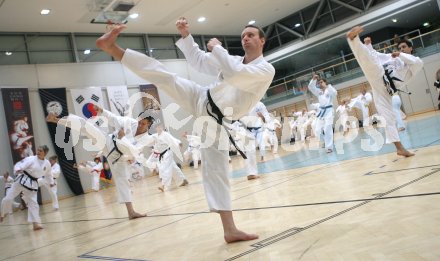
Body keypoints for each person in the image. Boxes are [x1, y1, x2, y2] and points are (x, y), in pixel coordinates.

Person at [96, 17, 275, 242]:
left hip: (216, 121)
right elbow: (199, 61)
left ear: (262, 41)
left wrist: (218, 48)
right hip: (201, 96)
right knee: (164, 76)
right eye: (243, 36)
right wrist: (185, 35)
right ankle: (113, 48)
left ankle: (229, 230)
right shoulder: (234, 59)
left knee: (216, 172)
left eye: (250, 35)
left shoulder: (265, 69)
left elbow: (237, 74)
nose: (245, 38)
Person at [47, 107, 152, 220]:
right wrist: (102, 111)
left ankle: (131, 212)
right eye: (140, 122)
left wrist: (123, 141)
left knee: (124, 182)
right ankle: (56, 120)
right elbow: (114, 118)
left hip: (118, 157)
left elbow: (134, 152)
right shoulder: (130, 122)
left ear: (149, 125)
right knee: (85, 126)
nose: (140, 125)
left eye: (143, 124)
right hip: (107, 141)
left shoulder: (146, 139)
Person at [346, 26, 423, 157]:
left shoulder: (415, 62)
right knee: (369, 63)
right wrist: (369, 46)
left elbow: (416, 62)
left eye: (404, 47)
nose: (401, 49)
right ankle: (353, 39)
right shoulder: (394, 58)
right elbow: (377, 57)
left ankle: (399, 148)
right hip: (380, 76)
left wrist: (401, 55)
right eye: (400, 48)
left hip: (386, 90)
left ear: (411, 48)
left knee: (389, 117)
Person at [0, 145, 52, 230]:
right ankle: (2, 213)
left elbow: (49, 174)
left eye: (40, 151)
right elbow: (20, 164)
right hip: (21, 180)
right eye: (38, 150)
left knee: (34, 203)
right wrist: (18, 169)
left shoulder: (47, 164)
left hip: (33, 184)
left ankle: (36, 224)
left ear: (45, 153)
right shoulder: (31, 158)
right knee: (8, 198)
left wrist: (51, 182)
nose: (38, 152)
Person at [308, 75, 337, 153]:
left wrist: (327, 86)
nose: (320, 84)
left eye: (321, 82)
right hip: (321, 112)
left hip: (329, 111)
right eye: (319, 83)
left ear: (325, 82)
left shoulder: (329, 90)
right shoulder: (319, 92)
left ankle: (329, 147)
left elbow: (334, 93)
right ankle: (324, 141)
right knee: (317, 130)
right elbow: (311, 87)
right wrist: (313, 80)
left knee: (327, 128)